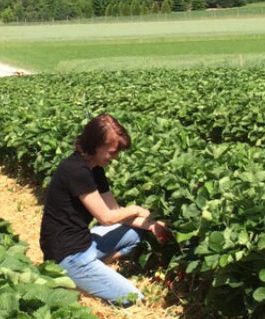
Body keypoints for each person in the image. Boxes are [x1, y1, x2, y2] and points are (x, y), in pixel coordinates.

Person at [40, 114, 171, 306]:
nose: (116, 157)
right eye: (111, 152)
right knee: (134, 300)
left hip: (83, 242)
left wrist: (151, 225)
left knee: (135, 234)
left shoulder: (95, 168)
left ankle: (93, 274)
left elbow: (115, 211)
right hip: (68, 254)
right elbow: (107, 218)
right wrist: (136, 209)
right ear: (95, 146)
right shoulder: (76, 171)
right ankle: (77, 277)